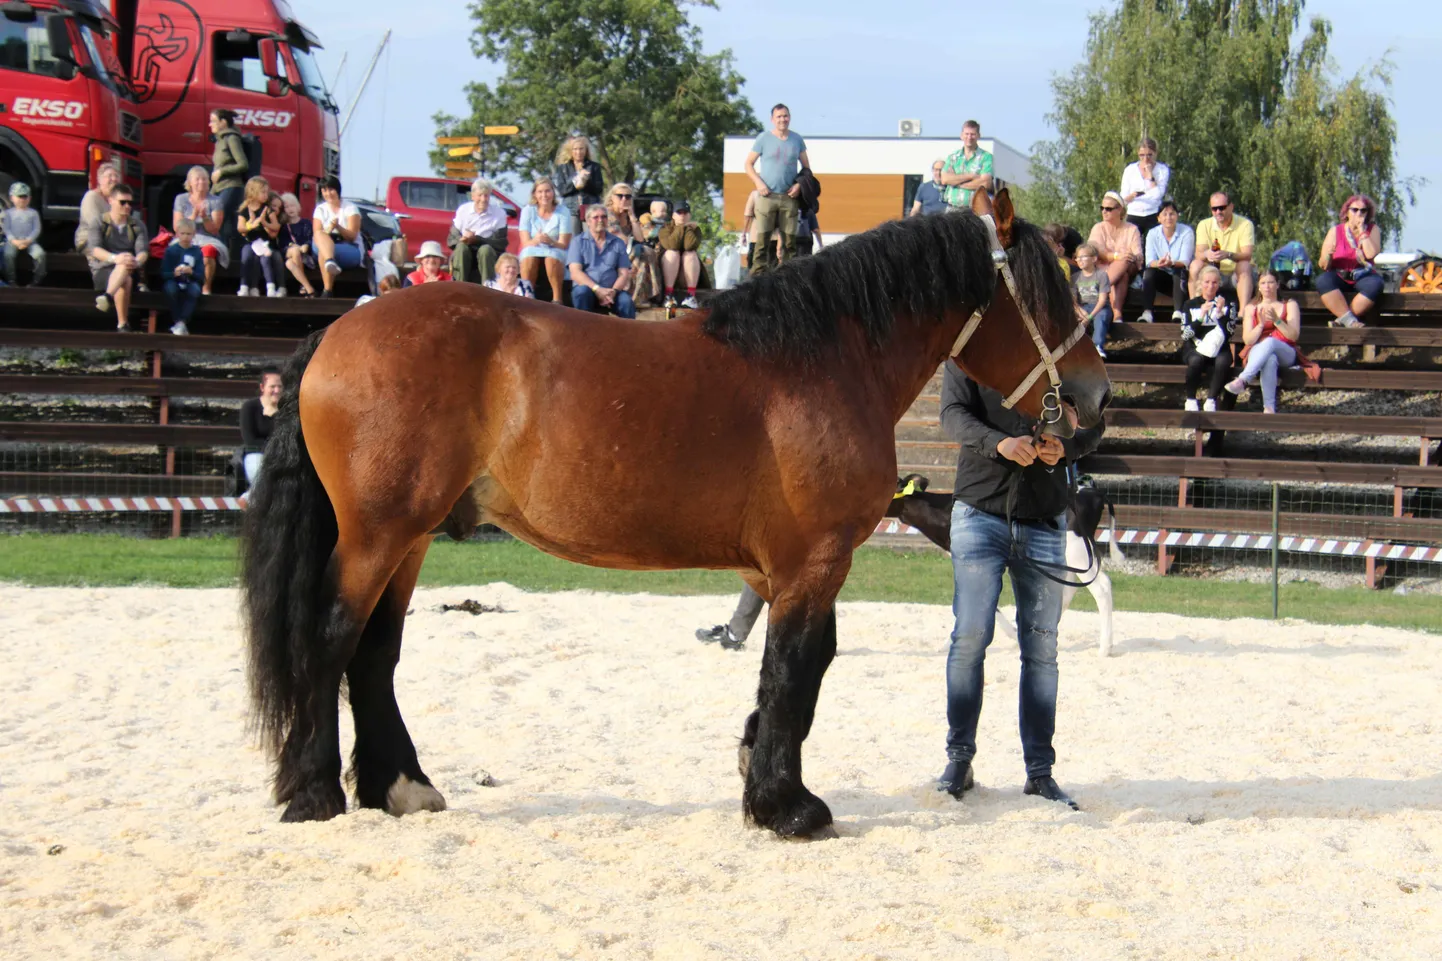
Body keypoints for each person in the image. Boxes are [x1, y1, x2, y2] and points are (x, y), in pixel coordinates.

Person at [936, 362, 1102, 810]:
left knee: (1042, 649)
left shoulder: (1065, 353)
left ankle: (1040, 772)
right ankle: (959, 760)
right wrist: (1000, 444)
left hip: (1044, 519)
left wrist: (1065, 449)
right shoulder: (971, 350)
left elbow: (1096, 419)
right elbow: (952, 412)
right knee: (970, 635)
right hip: (978, 511)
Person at [744, 103, 810, 272]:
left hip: (789, 197)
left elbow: (806, 169)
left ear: (790, 117)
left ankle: (788, 278)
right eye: (779, 116)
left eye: (785, 116)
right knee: (762, 241)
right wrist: (759, 183)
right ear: (772, 119)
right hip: (767, 196)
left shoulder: (797, 140)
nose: (783, 119)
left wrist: (798, 186)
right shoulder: (763, 138)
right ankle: (757, 278)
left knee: (789, 243)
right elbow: (748, 164)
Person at [1225, 271, 1302, 414]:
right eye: (1263, 283)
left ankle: (1242, 379)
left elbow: (1293, 336)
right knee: (1270, 359)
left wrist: (1277, 321)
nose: (1267, 286)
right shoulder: (1251, 308)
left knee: (1271, 342)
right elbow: (1248, 340)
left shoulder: (1289, 305)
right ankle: (1269, 407)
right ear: (1258, 287)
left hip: (1285, 351)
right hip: (1257, 351)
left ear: (1278, 285)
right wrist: (1260, 325)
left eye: (1271, 282)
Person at [86, 184, 148, 330]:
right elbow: (94, 250)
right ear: (111, 201)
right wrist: (116, 258)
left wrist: (136, 261)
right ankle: (122, 323)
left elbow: (143, 251)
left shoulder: (137, 225)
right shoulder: (98, 222)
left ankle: (108, 298)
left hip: (130, 268)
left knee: (125, 269)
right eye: (123, 202)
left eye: (130, 203)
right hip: (103, 269)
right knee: (124, 274)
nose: (127, 206)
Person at [1316, 194, 1383, 329]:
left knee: (1376, 284)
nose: (1359, 214)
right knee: (1322, 281)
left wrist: (1363, 232)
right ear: (1347, 212)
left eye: (1363, 210)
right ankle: (1351, 322)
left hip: (1363, 274)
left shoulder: (1372, 230)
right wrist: (1328, 256)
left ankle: (1342, 321)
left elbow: (1370, 254)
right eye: (1355, 210)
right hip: (1340, 274)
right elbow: (1323, 264)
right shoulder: (1336, 230)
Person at [1179, 265, 1239, 411]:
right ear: (1200, 283)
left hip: (1219, 347)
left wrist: (1219, 314)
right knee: (1195, 360)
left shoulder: (1228, 305)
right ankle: (1191, 398)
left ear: (1219, 284)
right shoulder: (1190, 304)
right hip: (1195, 346)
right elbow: (1185, 335)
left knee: (1223, 361)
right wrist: (1200, 318)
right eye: (1207, 282)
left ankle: (1211, 399)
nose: (1210, 286)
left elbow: (1230, 332)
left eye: (1214, 282)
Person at [1190, 191, 1255, 311]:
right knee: (1195, 265)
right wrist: (1206, 254)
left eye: (1222, 208)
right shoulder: (1204, 225)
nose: (1218, 212)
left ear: (1231, 206)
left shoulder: (1245, 224)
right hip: (1212, 272)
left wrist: (1228, 254)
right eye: (1214, 209)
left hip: (1236, 273)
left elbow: (1247, 255)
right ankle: (1195, 308)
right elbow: (1198, 254)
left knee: (1244, 265)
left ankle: (1243, 312)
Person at [567, 204, 634, 317]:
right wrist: (597, 289)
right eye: (596, 217)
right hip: (588, 289)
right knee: (581, 292)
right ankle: (583, 332)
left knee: (626, 302)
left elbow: (623, 273)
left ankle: (630, 334)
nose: (600, 220)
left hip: (612, 291)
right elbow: (575, 273)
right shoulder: (578, 242)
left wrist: (613, 292)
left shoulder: (618, 243)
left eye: (604, 217)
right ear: (588, 221)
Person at [172, 165, 229, 293]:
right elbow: (177, 228)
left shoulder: (215, 201)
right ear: (190, 183)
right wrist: (193, 215)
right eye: (197, 179)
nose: (201, 182)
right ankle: (182, 287)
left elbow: (214, 229)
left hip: (208, 238)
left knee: (208, 254)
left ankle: (206, 288)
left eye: (204, 179)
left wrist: (204, 217)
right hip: (186, 237)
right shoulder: (181, 199)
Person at [1087, 191, 1142, 321]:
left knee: (1124, 261)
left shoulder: (1132, 229)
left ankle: (1098, 288)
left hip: (1128, 265)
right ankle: (1117, 314)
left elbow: (1137, 253)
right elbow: (1098, 252)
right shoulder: (1098, 228)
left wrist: (1129, 256)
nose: (1104, 211)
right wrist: (1117, 255)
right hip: (1106, 270)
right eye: (1102, 208)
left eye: (1109, 208)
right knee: (1122, 275)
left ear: (1119, 210)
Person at [1138, 200, 1194, 323]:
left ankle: (1178, 312)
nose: (1168, 217)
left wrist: (1171, 263)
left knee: (1179, 269)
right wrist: (1160, 263)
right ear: (1159, 218)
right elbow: (1150, 261)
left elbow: (1185, 260)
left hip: (1180, 277)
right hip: (1161, 276)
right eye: (1165, 214)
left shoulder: (1186, 232)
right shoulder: (1152, 233)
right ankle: (1147, 312)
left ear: (1177, 216)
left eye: (1172, 214)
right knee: (1149, 272)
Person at [518, 177, 572, 304]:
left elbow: (564, 244)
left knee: (552, 257)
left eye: (547, 191)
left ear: (553, 193)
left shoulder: (563, 211)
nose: (544, 195)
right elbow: (525, 243)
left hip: (555, 248)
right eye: (540, 192)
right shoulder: (527, 210)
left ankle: (557, 299)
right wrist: (536, 240)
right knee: (528, 255)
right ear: (535, 194)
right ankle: (527, 297)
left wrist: (551, 242)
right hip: (533, 247)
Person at [449, 177, 508, 284]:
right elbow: (452, 237)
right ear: (472, 196)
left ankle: (488, 289)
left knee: (485, 250)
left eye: (486, 195)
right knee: (461, 248)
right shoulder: (463, 210)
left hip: (488, 250)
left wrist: (478, 239)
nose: (483, 199)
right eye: (480, 195)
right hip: (465, 248)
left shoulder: (499, 213)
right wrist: (462, 239)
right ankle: (460, 287)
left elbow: (501, 243)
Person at [605, 183, 657, 305]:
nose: (624, 199)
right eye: (620, 196)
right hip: (609, 252)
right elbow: (621, 240)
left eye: (628, 197)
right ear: (612, 198)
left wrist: (632, 217)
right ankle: (634, 299)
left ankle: (640, 298)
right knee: (639, 253)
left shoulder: (628, 215)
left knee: (647, 253)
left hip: (627, 250)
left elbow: (640, 238)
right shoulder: (607, 214)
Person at [311, 175, 363, 298]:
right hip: (326, 243)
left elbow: (352, 236)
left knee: (323, 253)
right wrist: (328, 231)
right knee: (321, 239)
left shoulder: (350, 208)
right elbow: (317, 233)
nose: (328, 194)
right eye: (324, 190)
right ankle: (330, 261)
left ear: (337, 190)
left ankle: (327, 290)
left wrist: (338, 227)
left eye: (331, 190)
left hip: (348, 247)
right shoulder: (320, 209)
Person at [209, 108, 249, 255]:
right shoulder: (219, 141)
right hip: (219, 187)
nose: (209, 124)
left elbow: (243, 164)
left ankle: (225, 255)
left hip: (232, 186)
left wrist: (222, 171)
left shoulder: (232, 138)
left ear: (223, 122)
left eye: (213, 121)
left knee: (220, 219)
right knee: (226, 224)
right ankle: (228, 256)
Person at [234, 177, 282, 297]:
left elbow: (276, 226)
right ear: (253, 192)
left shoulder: (267, 209)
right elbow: (240, 228)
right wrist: (250, 225)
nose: (266, 195)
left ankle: (270, 287)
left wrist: (265, 223)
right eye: (263, 192)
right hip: (250, 242)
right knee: (247, 256)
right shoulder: (245, 209)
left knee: (264, 258)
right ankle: (244, 286)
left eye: (267, 192)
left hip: (265, 243)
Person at [1119, 137, 1170, 239]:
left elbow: (1157, 195)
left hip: (1153, 213)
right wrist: (1131, 196)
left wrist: (1150, 176)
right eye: (1142, 155)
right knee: (1132, 246)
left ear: (1155, 153)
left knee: (1152, 246)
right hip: (1134, 213)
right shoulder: (1130, 170)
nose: (1146, 159)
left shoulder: (1162, 170)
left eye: (1149, 155)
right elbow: (1123, 196)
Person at [240, 369, 282, 486]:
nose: (277, 391)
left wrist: (276, 414)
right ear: (262, 387)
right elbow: (250, 440)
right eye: (272, 386)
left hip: (283, 456)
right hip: (257, 454)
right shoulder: (249, 407)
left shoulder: (286, 409)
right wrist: (275, 449)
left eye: (280, 386)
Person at [940, 120, 994, 211]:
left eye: (973, 134)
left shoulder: (986, 157)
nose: (969, 137)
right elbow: (945, 179)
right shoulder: (953, 157)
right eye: (967, 134)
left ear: (978, 136)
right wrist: (971, 176)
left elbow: (985, 183)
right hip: (952, 208)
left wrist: (956, 183)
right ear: (961, 135)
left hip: (975, 210)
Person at [161, 218, 202, 335]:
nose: (185, 237)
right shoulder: (171, 251)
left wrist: (192, 272)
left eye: (188, 234)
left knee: (195, 290)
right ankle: (178, 321)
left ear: (194, 235)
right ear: (177, 234)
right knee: (171, 289)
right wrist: (174, 273)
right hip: (173, 280)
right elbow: (164, 273)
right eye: (182, 233)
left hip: (190, 281)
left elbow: (201, 275)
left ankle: (182, 322)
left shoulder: (197, 251)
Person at [658, 200, 702, 309]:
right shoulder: (665, 228)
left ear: (689, 215)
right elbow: (672, 245)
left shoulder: (695, 229)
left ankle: (691, 296)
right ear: (673, 215)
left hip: (686, 274)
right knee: (672, 253)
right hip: (667, 273)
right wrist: (682, 227)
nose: (682, 215)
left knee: (690, 254)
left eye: (685, 213)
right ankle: (668, 296)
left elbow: (690, 245)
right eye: (679, 213)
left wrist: (688, 229)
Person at [1071, 243, 1112, 357]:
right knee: (1073, 318)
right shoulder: (1075, 277)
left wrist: (1089, 317)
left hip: (1099, 307)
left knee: (1101, 317)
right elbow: (1073, 300)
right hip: (1082, 307)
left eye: (1083, 257)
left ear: (1094, 259)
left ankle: (1097, 346)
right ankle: (1074, 348)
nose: (1079, 260)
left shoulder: (1101, 275)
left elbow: (1103, 300)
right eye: (1077, 257)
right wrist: (1080, 311)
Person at [2, 182, 45, 287]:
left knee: (40, 254)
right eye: (19, 196)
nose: (22, 199)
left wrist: (29, 240)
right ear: (12, 198)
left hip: (30, 241)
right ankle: (11, 280)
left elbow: (37, 229)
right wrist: (13, 241)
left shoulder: (33, 213)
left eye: (25, 197)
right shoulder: (8, 213)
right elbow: (6, 229)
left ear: (29, 198)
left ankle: (37, 280)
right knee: (7, 254)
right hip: (13, 241)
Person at [552, 135, 604, 219]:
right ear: (570, 151)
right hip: (570, 210)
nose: (578, 152)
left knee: (589, 232)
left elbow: (599, 189)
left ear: (586, 150)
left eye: (581, 149)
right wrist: (576, 179)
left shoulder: (594, 167)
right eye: (575, 149)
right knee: (573, 232)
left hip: (590, 209)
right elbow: (562, 190)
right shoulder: (563, 168)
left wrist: (586, 181)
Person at [74, 162, 121, 254]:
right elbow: (95, 225)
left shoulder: (116, 200)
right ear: (100, 180)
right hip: (89, 240)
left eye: (116, 176)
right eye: (110, 176)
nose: (114, 179)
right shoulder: (91, 197)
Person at [278, 193, 317, 297]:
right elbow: (282, 244)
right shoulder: (283, 226)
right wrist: (291, 245)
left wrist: (306, 245)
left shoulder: (306, 223)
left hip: (304, 255)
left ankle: (307, 287)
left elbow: (311, 239)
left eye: (292, 205)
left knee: (290, 264)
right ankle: (305, 286)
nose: (290, 209)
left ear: (297, 206)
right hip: (290, 252)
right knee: (294, 251)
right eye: (286, 207)